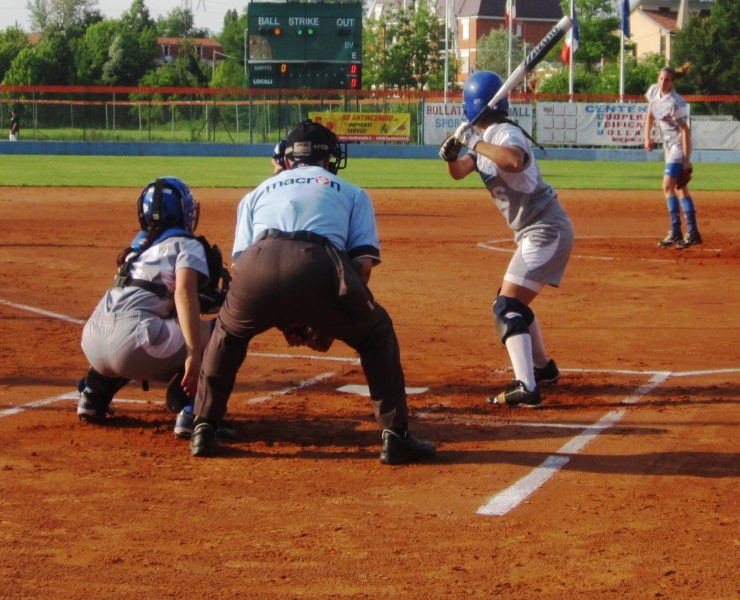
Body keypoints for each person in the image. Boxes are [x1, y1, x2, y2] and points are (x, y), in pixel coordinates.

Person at [188, 119, 437, 465]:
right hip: (317, 264)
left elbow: (244, 267)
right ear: (328, 157)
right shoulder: (351, 192)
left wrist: (287, 318)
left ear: (288, 159)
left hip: (256, 266)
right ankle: (395, 435)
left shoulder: (257, 193)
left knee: (228, 334)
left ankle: (203, 425)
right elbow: (361, 269)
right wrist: (328, 322)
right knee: (377, 333)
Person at [438, 71, 573, 408]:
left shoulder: (504, 133)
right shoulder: (488, 138)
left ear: (471, 107)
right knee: (511, 302)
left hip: (545, 228)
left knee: (506, 306)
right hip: (535, 230)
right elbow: (459, 172)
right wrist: (452, 156)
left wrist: (473, 141)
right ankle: (543, 369)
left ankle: (527, 387)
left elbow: (513, 160)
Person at [76, 176, 235, 440]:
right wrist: (193, 354)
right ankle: (193, 410)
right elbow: (184, 294)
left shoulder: (136, 248)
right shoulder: (187, 244)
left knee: (132, 331)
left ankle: (93, 394)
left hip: (93, 341)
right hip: (135, 343)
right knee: (224, 331)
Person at [643, 63, 702, 250]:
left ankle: (677, 230)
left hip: (678, 145)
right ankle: (692, 232)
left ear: (673, 82)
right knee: (680, 188)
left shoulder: (676, 102)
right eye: (661, 78)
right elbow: (650, 115)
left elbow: (685, 131)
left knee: (668, 185)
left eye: (667, 80)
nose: (663, 82)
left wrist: (686, 160)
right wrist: (647, 138)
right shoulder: (654, 91)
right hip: (667, 145)